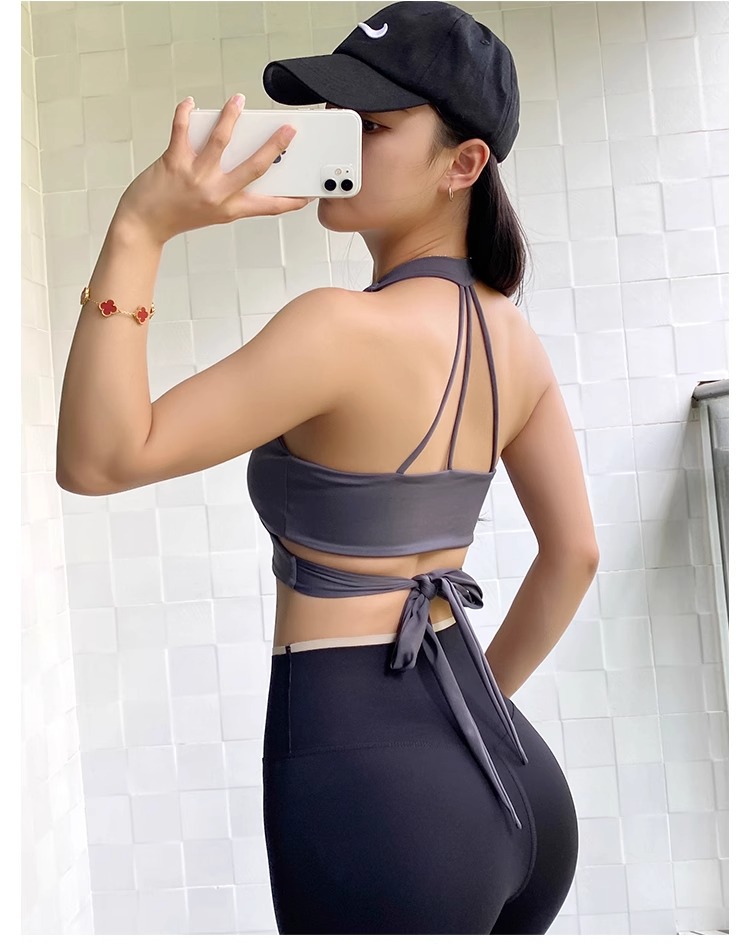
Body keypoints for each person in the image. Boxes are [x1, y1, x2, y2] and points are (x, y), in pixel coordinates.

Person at [56, 0, 599, 936]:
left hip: (370, 792)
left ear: (464, 164)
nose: (338, 140)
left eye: (371, 127)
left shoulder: (338, 328)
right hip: (513, 778)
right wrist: (461, 733)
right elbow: (576, 556)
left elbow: (100, 459)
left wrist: (141, 228)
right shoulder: (513, 335)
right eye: (331, 117)